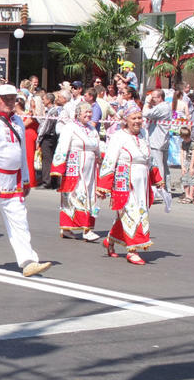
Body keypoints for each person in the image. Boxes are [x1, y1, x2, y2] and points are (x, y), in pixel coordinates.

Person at [0, 84, 51, 276]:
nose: (10, 102)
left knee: (19, 221)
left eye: (13, 98)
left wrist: (26, 180)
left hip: (13, 181)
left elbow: (21, 154)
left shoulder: (18, 122)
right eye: (5, 99)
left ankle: (28, 261)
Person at [96, 105, 165, 265]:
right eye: (134, 118)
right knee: (131, 213)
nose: (138, 121)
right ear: (126, 120)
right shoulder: (118, 136)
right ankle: (132, 250)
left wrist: (157, 178)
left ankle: (110, 241)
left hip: (142, 181)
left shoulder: (143, 135)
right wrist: (103, 186)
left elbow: (149, 159)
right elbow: (109, 161)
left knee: (133, 213)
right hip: (125, 181)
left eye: (140, 118)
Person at [51, 102, 102, 241]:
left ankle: (69, 228)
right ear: (78, 114)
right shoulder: (70, 127)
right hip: (75, 165)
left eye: (90, 112)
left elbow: (97, 146)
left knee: (90, 194)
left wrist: (100, 158)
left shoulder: (92, 129)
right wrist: (58, 167)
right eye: (85, 112)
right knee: (76, 194)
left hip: (90, 168)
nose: (88, 114)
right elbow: (62, 147)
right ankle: (85, 229)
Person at [143, 89, 172, 192]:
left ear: (160, 97)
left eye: (154, 97)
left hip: (158, 140)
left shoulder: (162, 107)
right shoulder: (165, 106)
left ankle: (161, 188)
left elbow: (145, 113)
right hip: (161, 139)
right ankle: (166, 188)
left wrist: (147, 102)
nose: (152, 99)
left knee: (159, 165)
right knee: (164, 165)